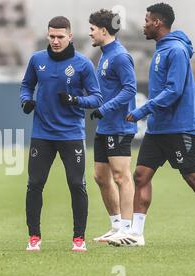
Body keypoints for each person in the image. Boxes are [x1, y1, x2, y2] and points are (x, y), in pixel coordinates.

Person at [20, 16, 103, 252]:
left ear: (69, 36)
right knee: (34, 184)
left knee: (77, 184)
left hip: (71, 135)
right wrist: (26, 100)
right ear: (48, 35)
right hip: (42, 134)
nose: (55, 41)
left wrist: (76, 100)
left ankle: (79, 238)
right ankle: (34, 237)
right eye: (52, 36)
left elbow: (97, 98)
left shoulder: (83, 64)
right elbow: (26, 85)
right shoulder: (37, 60)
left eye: (60, 37)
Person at [120, 3, 195, 246]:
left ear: (158, 23)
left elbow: (173, 91)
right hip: (157, 129)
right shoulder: (161, 49)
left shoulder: (176, 51)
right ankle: (136, 234)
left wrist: (143, 109)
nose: (144, 24)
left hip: (178, 128)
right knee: (141, 176)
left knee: (191, 178)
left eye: (147, 20)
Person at [88, 9, 138, 245]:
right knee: (100, 176)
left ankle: (127, 231)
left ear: (103, 30)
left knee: (121, 176)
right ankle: (116, 225)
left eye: (92, 29)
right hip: (105, 126)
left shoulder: (119, 56)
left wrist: (105, 108)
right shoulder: (105, 54)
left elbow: (130, 89)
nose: (90, 33)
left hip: (119, 126)